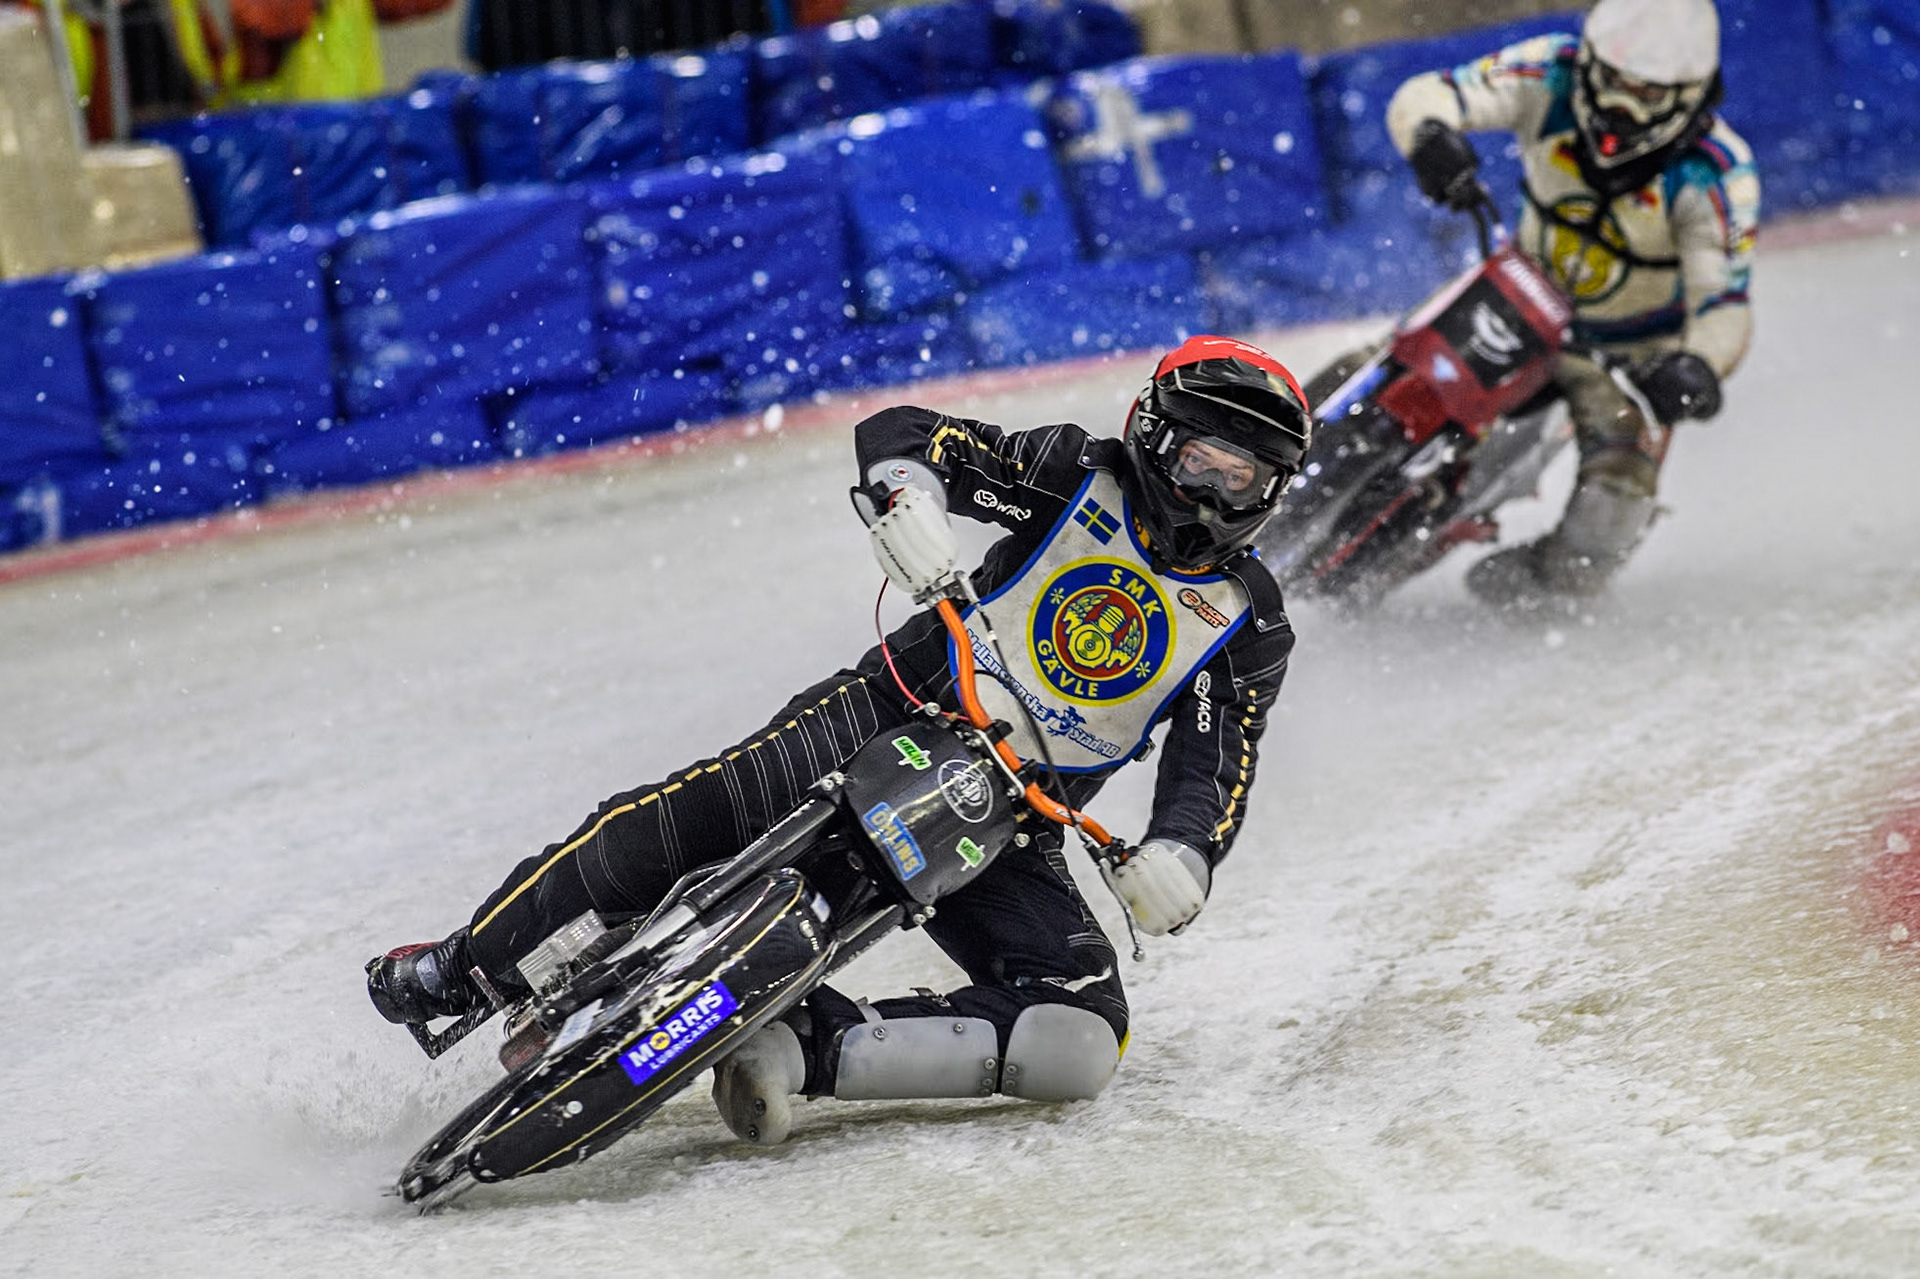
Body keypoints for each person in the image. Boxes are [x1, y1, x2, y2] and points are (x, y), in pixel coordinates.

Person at [366, 335, 1310, 1144]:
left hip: (1009, 820)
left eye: (1246, 482)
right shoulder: (1071, 470)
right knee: (690, 816)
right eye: (1201, 467)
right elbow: (909, 435)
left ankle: (794, 1046)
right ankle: (466, 964)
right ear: (1152, 437)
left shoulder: (1250, 623)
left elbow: (1214, 767)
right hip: (884, 710)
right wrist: (912, 505)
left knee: (1080, 1034)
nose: (1214, 502)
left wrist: (1186, 854)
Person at [1384, 0, 1759, 605]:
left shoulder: (1718, 173)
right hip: (1513, 299)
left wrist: (1698, 367)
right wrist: (1430, 135)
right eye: (1612, 81)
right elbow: (1432, 93)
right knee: (1391, 371)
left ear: (1688, 93)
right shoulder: (1549, 71)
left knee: (1611, 515)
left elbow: (1724, 303)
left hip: (1627, 357)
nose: (1622, 107)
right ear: (1590, 61)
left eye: (1647, 92)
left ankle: (1541, 589)